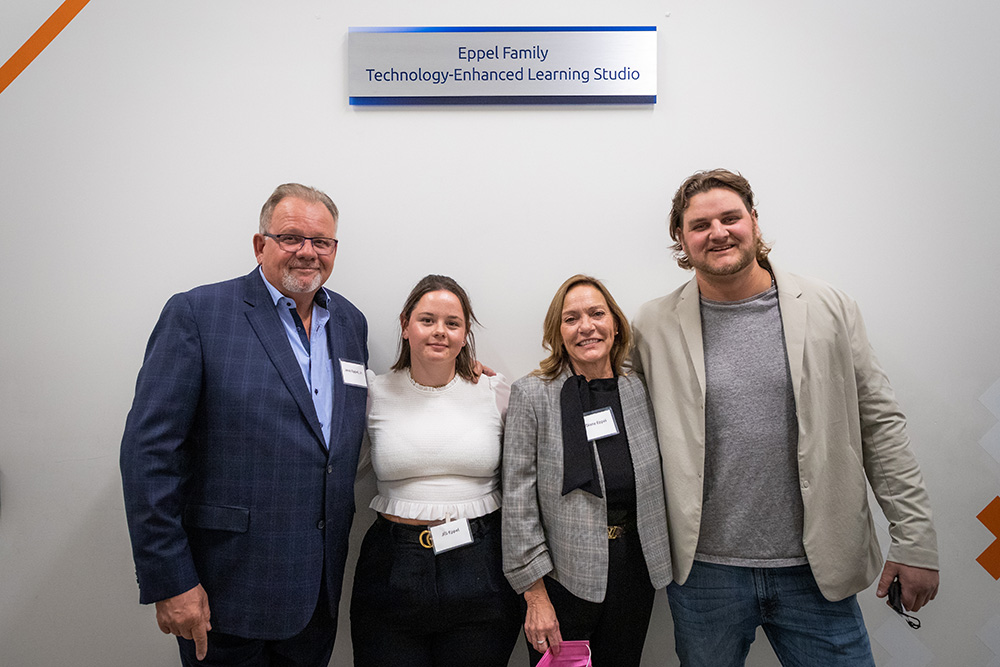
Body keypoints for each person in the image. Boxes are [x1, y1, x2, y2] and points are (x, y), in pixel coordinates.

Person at [633, 169, 940, 666]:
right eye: (700, 225)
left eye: (731, 218)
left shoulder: (828, 307)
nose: (718, 233)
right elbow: (605, 395)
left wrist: (916, 541)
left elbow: (880, 428)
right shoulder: (651, 325)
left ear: (754, 221)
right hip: (705, 573)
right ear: (681, 241)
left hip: (816, 569)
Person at [120, 183, 368, 666]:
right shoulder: (199, 313)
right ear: (260, 244)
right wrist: (172, 579)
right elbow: (149, 455)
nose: (307, 253)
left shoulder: (349, 323)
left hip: (316, 593)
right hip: (225, 592)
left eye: (322, 242)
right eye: (291, 238)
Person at [502, 275, 673, 667]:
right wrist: (535, 596)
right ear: (557, 332)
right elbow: (517, 504)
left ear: (615, 324)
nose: (587, 327)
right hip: (563, 578)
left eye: (597, 314)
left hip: (635, 571)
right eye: (572, 318)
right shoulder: (533, 394)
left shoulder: (639, 389)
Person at [350, 274, 521, 666]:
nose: (439, 331)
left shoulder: (494, 391)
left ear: (465, 334)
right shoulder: (373, 393)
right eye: (427, 320)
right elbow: (341, 466)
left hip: (481, 563)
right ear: (405, 325)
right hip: (393, 566)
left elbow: (529, 478)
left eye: (452, 323)